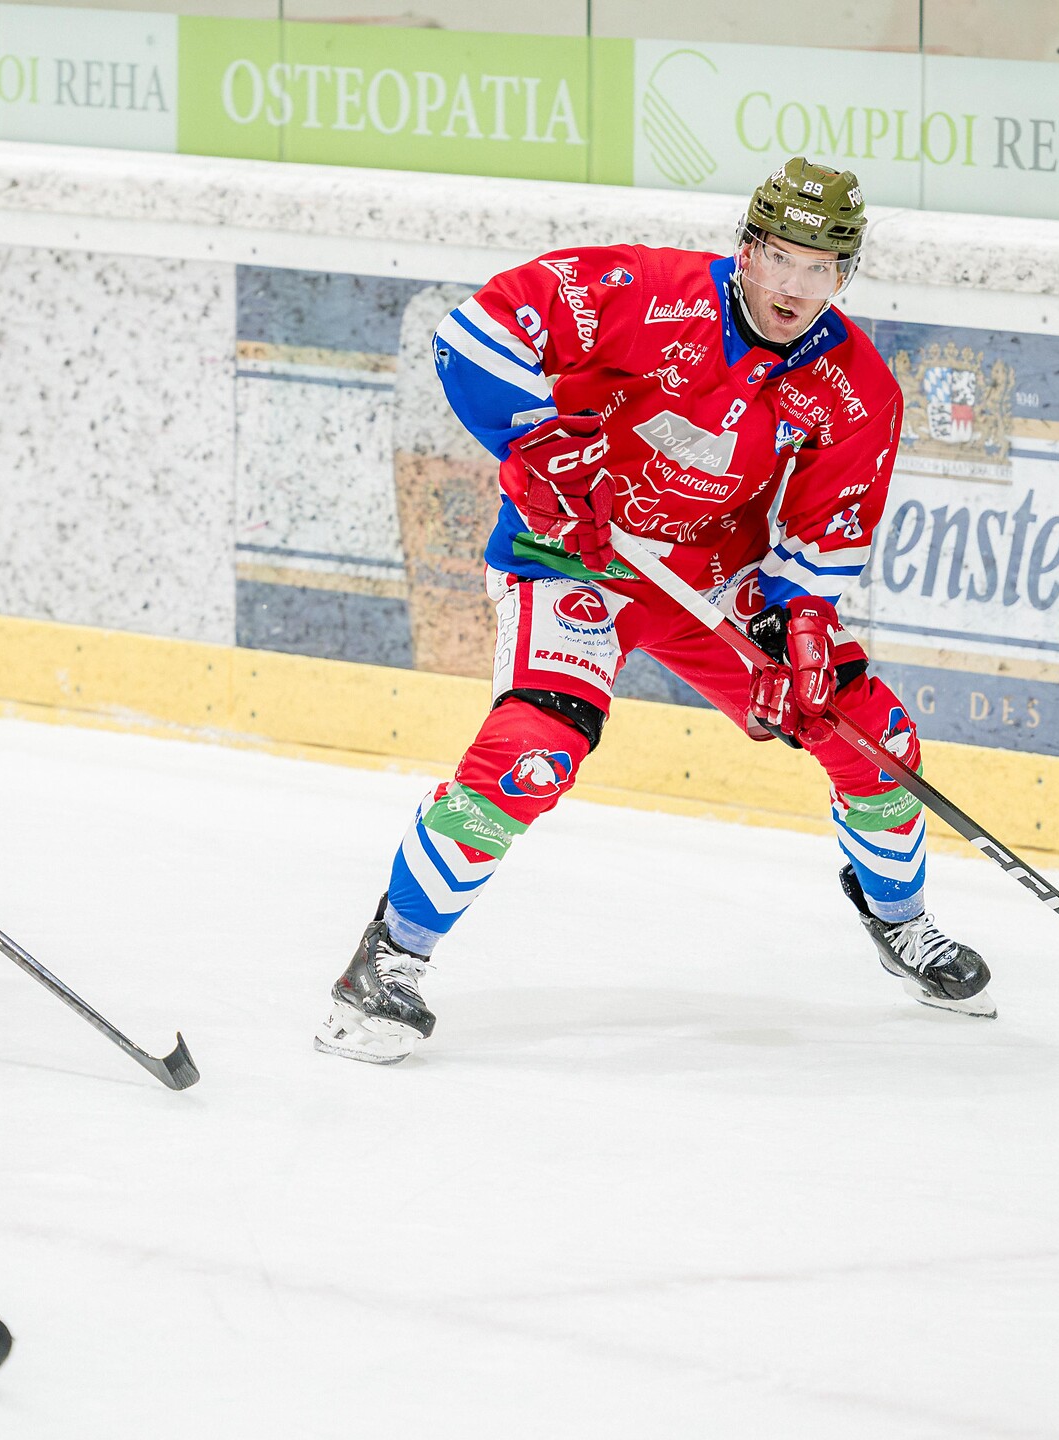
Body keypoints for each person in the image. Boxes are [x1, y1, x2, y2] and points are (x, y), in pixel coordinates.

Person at [315, 158, 992, 1066]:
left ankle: (900, 922)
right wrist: (544, 447)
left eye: (819, 268)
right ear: (747, 249)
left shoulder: (856, 385)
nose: (794, 286)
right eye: (780, 257)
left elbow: (827, 527)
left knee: (871, 735)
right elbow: (474, 336)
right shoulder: (646, 290)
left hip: (712, 576)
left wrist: (800, 620)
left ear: (845, 276)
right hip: (571, 556)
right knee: (532, 755)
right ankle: (387, 963)